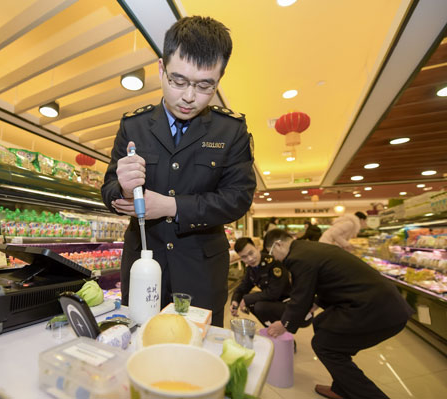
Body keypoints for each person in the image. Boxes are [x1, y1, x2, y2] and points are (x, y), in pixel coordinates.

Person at [101, 16, 256, 327]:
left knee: (197, 354)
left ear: (218, 79)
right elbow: (108, 190)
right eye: (178, 80)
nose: (189, 96)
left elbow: (238, 199)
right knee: (140, 342)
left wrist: (171, 206)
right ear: (161, 69)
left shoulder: (231, 130)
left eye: (204, 85)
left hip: (201, 270)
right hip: (143, 264)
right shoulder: (133, 125)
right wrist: (122, 189)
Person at [264, 229, 413, 399]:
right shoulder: (308, 249)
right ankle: (340, 389)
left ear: (278, 244)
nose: (275, 258)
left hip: (378, 308)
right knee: (321, 325)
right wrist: (317, 302)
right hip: (377, 302)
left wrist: (284, 324)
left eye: (271, 252)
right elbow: (333, 278)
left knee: (325, 345)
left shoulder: (297, 258)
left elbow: (300, 296)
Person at [230, 237, 292, 326]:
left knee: (260, 306)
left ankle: (281, 332)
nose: (250, 259)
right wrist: (235, 301)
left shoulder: (273, 263)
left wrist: (246, 299)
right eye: (244, 257)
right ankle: (271, 328)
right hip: (275, 303)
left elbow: (273, 293)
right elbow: (243, 287)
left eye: (251, 253)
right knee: (252, 304)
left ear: (257, 248)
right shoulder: (251, 268)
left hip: (289, 303)